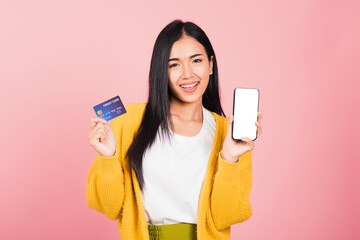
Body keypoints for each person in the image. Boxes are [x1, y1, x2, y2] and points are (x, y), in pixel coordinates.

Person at [86, 19, 263, 240]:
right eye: (174, 64)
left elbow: (226, 216)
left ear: (210, 65)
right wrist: (109, 158)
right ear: (161, 70)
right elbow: (108, 207)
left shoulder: (228, 133)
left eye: (196, 60)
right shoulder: (129, 120)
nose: (187, 74)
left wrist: (229, 159)